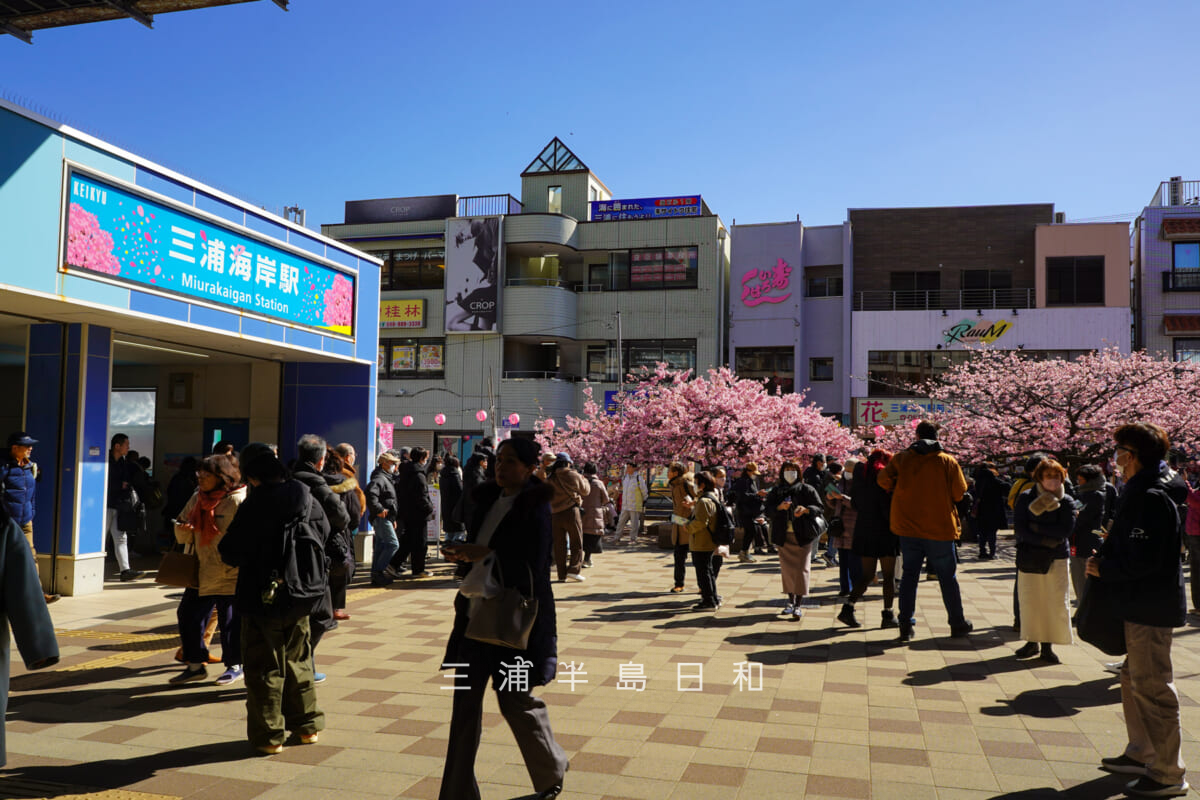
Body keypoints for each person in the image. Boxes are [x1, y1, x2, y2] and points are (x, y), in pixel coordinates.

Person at [439, 437, 569, 800]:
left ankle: (551, 767)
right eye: (499, 460)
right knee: (464, 709)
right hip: (474, 617)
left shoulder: (536, 507)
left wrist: (489, 552)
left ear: (531, 468)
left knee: (515, 700)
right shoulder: (485, 500)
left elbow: (537, 565)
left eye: (511, 462)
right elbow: (480, 551)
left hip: (514, 620)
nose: (501, 467)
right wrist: (464, 554)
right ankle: (456, 793)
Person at [1088, 423, 1188, 798]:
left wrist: (1106, 568)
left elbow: (1148, 557)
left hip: (1150, 604)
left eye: (1118, 453)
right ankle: (1142, 751)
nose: (1115, 461)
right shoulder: (1148, 488)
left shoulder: (1150, 494)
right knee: (1135, 677)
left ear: (1131, 455)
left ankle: (1168, 772)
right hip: (1142, 601)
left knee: (1152, 684)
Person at [218, 443, 326, 755]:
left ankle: (270, 736)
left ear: (252, 476)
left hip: (261, 595)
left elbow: (231, 551)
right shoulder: (305, 496)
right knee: (299, 660)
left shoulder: (257, 503)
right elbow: (329, 528)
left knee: (264, 666)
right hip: (302, 593)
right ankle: (307, 728)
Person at [878, 421, 973, 643]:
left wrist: (898, 486)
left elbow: (882, 479)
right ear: (937, 436)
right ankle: (957, 623)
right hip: (939, 527)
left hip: (908, 526)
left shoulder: (902, 458)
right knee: (947, 577)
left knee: (910, 575)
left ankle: (905, 625)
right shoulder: (947, 461)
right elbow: (960, 493)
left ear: (917, 435)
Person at [170, 454, 247, 685]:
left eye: (207, 475)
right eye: (199, 475)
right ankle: (195, 664)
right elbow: (182, 528)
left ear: (222, 477)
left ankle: (235, 665)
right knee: (188, 615)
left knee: (230, 622)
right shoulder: (197, 498)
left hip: (229, 571)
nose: (201, 479)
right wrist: (183, 528)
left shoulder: (237, 500)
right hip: (201, 569)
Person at [290, 435, 351, 671]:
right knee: (322, 615)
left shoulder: (288, 479)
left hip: (288, 555)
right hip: (314, 556)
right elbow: (342, 517)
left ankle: (305, 664)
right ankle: (302, 663)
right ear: (320, 461)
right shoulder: (318, 485)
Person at [1012, 458, 1077, 665]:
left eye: (1057, 476)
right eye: (1048, 476)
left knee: (1055, 601)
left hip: (1057, 557)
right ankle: (1031, 641)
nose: (1053, 480)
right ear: (1039, 476)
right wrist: (1042, 538)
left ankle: (1048, 645)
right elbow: (1021, 528)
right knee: (1031, 600)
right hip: (1030, 555)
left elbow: (1065, 530)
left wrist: (1037, 529)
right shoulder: (1025, 498)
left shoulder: (1066, 500)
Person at [839, 449, 898, 629]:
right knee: (888, 576)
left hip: (864, 530)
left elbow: (855, 504)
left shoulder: (860, 477)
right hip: (885, 530)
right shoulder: (886, 479)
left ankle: (848, 609)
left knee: (867, 575)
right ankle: (888, 614)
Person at [1, 432, 58, 603]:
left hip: (25, 520)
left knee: (30, 557)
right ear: (15, 448)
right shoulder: (3, 467)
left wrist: (31, 512)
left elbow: (31, 493)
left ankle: (38, 595)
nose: (30, 449)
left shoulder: (30, 466)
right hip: (6, 521)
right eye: (27, 446)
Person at [769, 461, 824, 620]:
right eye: (787, 470)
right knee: (787, 570)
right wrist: (779, 508)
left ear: (799, 473)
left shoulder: (807, 489)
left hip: (803, 535)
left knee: (801, 570)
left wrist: (806, 510)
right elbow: (767, 509)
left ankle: (799, 604)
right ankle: (790, 602)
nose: (790, 473)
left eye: (793, 470)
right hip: (783, 535)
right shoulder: (777, 490)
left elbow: (819, 508)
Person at [323, 449, 364, 622]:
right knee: (341, 568)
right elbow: (354, 514)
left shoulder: (309, 483)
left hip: (316, 535)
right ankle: (335, 609)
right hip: (340, 534)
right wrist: (349, 528)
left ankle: (322, 607)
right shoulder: (346, 483)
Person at [105, 433, 147, 581]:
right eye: (126, 445)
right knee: (103, 537)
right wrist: (119, 485)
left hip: (119, 505)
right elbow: (103, 481)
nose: (128, 448)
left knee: (121, 538)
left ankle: (125, 570)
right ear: (117, 446)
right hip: (106, 504)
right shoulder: (105, 460)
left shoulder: (123, 462)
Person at [545, 453, 590, 582]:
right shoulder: (572, 474)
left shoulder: (550, 478)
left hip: (554, 514)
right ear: (567, 463)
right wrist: (584, 479)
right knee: (576, 542)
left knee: (559, 545)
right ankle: (574, 570)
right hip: (571, 512)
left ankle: (561, 574)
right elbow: (586, 491)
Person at [393, 446, 435, 579]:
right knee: (419, 543)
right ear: (422, 458)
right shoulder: (418, 474)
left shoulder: (406, 471)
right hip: (418, 514)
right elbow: (421, 495)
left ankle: (394, 565)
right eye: (426, 458)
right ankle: (417, 569)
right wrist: (429, 508)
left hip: (408, 513)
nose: (426, 461)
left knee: (409, 541)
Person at [687, 471, 726, 611]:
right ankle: (713, 598)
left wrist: (688, 526)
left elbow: (701, 522)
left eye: (696, 482)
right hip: (708, 541)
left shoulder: (704, 501)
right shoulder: (711, 498)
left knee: (703, 572)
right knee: (708, 571)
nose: (694, 485)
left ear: (702, 484)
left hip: (702, 541)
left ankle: (709, 601)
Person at [1070, 464, 1108, 602]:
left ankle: (1085, 610)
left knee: (1083, 578)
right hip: (1079, 541)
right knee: (1079, 578)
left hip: (1086, 542)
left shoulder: (1094, 495)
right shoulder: (1085, 494)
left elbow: (1081, 518)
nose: (1078, 482)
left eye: (1080, 479)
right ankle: (1083, 608)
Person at [367, 452, 401, 586]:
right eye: (393, 463)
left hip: (386, 517)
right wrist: (379, 509)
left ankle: (377, 574)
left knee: (381, 545)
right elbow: (370, 493)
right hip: (382, 517)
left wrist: (392, 518)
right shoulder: (380, 478)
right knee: (393, 544)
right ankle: (379, 571)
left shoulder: (385, 477)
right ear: (385, 463)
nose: (395, 466)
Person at [731, 462, 769, 562]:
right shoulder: (743, 482)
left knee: (751, 531)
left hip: (750, 511)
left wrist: (759, 495)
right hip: (744, 511)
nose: (755, 475)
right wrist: (757, 493)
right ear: (748, 471)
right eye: (753, 473)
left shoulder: (751, 481)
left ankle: (745, 552)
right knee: (751, 531)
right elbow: (743, 496)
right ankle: (743, 552)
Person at [667, 463, 696, 594]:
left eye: (670, 471)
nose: (667, 473)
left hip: (691, 527)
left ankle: (703, 586)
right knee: (678, 557)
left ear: (676, 472)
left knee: (697, 559)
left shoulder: (686, 484)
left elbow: (700, 498)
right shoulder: (674, 486)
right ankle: (679, 584)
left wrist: (691, 504)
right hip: (679, 526)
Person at [972, 462, 1010, 560]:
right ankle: (992, 553)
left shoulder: (978, 481)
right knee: (992, 532)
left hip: (981, 510)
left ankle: (982, 552)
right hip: (994, 509)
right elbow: (1007, 486)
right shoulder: (993, 479)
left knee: (982, 533)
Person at [579, 462, 609, 569]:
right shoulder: (599, 483)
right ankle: (587, 559)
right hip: (595, 514)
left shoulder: (581, 482)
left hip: (581, 512)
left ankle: (580, 559)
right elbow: (606, 499)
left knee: (581, 536)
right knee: (592, 536)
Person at [614, 464, 647, 545]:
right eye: (627, 467)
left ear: (634, 468)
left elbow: (644, 491)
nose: (627, 469)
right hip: (625, 504)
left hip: (635, 504)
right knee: (621, 521)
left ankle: (633, 538)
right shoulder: (625, 478)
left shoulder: (638, 478)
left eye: (629, 467)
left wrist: (644, 499)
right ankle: (617, 537)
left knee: (634, 523)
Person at [441, 456, 466, 544]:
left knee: (449, 533)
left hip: (446, 507)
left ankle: (447, 552)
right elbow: (460, 491)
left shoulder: (443, 475)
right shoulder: (455, 475)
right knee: (458, 533)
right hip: (456, 508)